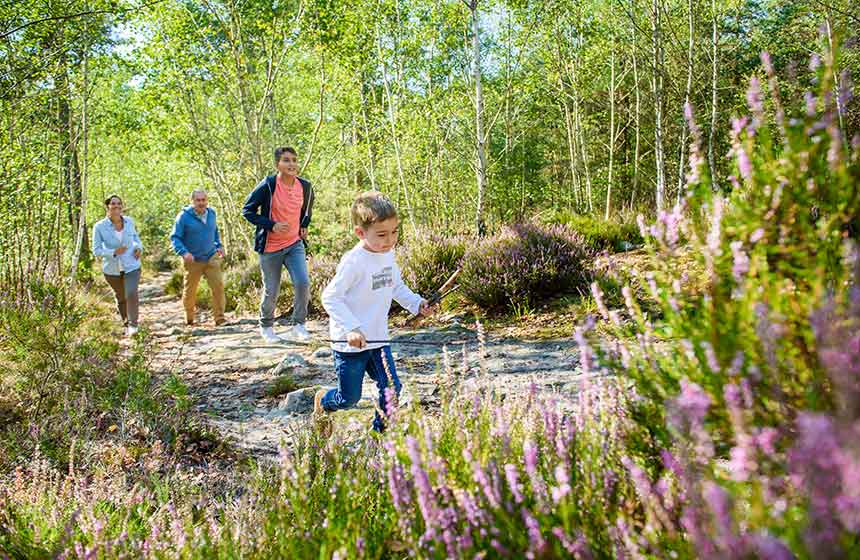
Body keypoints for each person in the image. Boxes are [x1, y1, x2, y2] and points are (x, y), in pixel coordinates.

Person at [314, 191, 433, 434]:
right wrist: (351, 328)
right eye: (382, 234)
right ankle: (323, 402)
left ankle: (380, 435)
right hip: (350, 344)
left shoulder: (387, 254)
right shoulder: (354, 261)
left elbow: (396, 287)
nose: (390, 240)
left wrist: (417, 304)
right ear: (360, 233)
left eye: (395, 232)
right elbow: (330, 297)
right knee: (349, 398)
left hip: (378, 339)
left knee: (392, 388)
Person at [242, 146, 315, 343]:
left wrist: (304, 225)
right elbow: (247, 211)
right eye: (286, 160)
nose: (291, 164)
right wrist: (272, 225)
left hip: (294, 244)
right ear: (277, 164)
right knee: (271, 290)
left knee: (302, 282)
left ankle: (298, 325)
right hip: (270, 247)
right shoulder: (268, 185)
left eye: (293, 160)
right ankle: (266, 326)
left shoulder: (305, 186)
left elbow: (307, 209)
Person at [170, 190, 227, 326]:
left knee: (218, 286)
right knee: (190, 290)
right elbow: (175, 237)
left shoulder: (211, 213)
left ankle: (220, 318)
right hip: (193, 259)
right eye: (198, 200)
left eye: (203, 200)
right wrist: (184, 253)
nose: (201, 203)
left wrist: (219, 245)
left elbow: (214, 232)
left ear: (207, 200)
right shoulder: (183, 217)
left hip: (211, 257)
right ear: (192, 201)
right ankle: (189, 318)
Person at [92, 195, 144, 336]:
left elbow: (136, 239)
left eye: (119, 203)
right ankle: (126, 323)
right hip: (112, 269)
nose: (116, 206)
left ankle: (134, 326)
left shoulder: (129, 221)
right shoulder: (99, 227)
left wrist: (139, 248)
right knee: (121, 297)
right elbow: (96, 250)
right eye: (113, 203)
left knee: (131, 293)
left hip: (131, 265)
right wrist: (113, 252)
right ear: (107, 206)